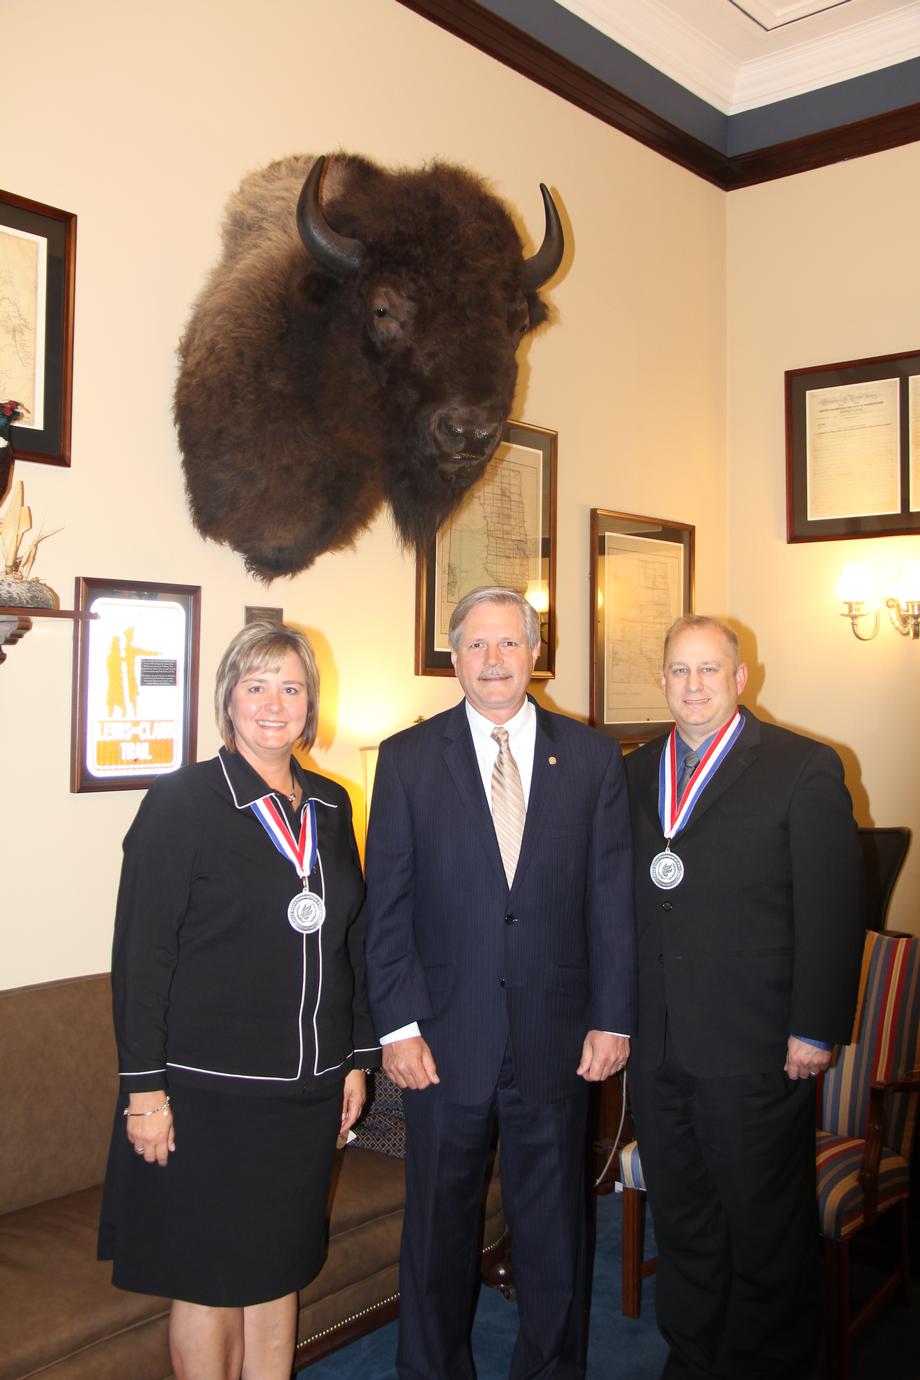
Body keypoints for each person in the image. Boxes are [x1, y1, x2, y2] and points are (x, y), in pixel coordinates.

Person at [364, 585, 636, 1380]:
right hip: (442, 1042)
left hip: (558, 1037)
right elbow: (388, 908)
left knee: (555, 1233)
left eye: (509, 642)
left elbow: (610, 901)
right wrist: (398, 1028)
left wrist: (613, 1017)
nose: (493, 660)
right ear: (453, 658)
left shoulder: (591, 758)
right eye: (476, 645)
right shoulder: (408, 759)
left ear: (535, 653)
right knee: (437, 1237)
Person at [98, 621, 379, 1380]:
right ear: (228, 699)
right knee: (211, 1281)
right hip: (208, 1095)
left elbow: (348, 942)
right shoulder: (182, 802)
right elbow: (141, 958)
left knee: (279, 1269)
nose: (273, 704)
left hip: (306, 1093)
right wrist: (144, 1093)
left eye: (291, 688)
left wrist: (354, 1059)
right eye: (256, 686)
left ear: (311, 704)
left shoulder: (332, 804)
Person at [624, 615, 864, 1380]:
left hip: (755, 1046)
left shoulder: (802, 766)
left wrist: (815, 1027)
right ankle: (694, 1358)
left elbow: (833, 908)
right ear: (662, 681)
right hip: (657, 1045)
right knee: (684, 1220)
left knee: (765, 1228)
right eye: (679, 670)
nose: (693, 685)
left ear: (739, 678)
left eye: (709, 669)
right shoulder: (633, 771)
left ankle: (767, 1364)